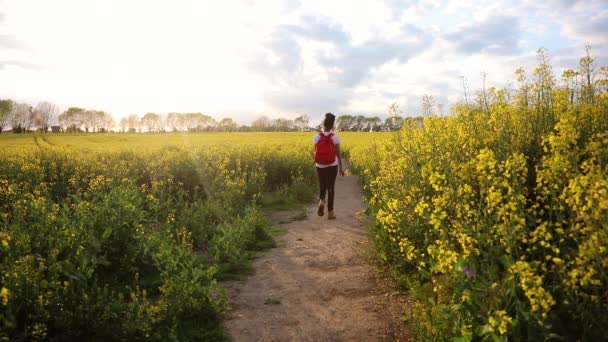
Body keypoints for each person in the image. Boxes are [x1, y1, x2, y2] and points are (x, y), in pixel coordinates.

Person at [313, 112, 345, 220]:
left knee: (322, 186)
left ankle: (321, 201)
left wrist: (316, 163)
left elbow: (315, 151)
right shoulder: (335, 137)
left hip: (320, 165)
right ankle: (330, 212)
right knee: (331, 187)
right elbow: (338, 153)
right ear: (332, 125)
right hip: (332, 164)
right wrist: (341, 168)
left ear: (324, 123)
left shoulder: (317, 137)